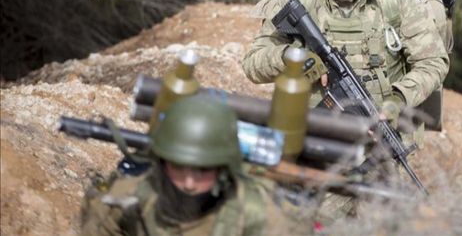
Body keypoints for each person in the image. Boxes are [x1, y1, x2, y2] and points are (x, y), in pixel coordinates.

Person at [241, 0, 449, 218]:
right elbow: (252, 63)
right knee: (307, 217)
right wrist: (291, 58)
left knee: (390, 219)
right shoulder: (300, 1)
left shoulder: (398, 3)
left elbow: (433, 62)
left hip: (381, 138)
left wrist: (397, 99)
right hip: (316, 137)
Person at [80, 96, 299, 235]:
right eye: (178, 167)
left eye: (203, 170)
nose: (189, 183)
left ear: (223, 168)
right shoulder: (128, 198)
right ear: (162, 161)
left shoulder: (256, 213)